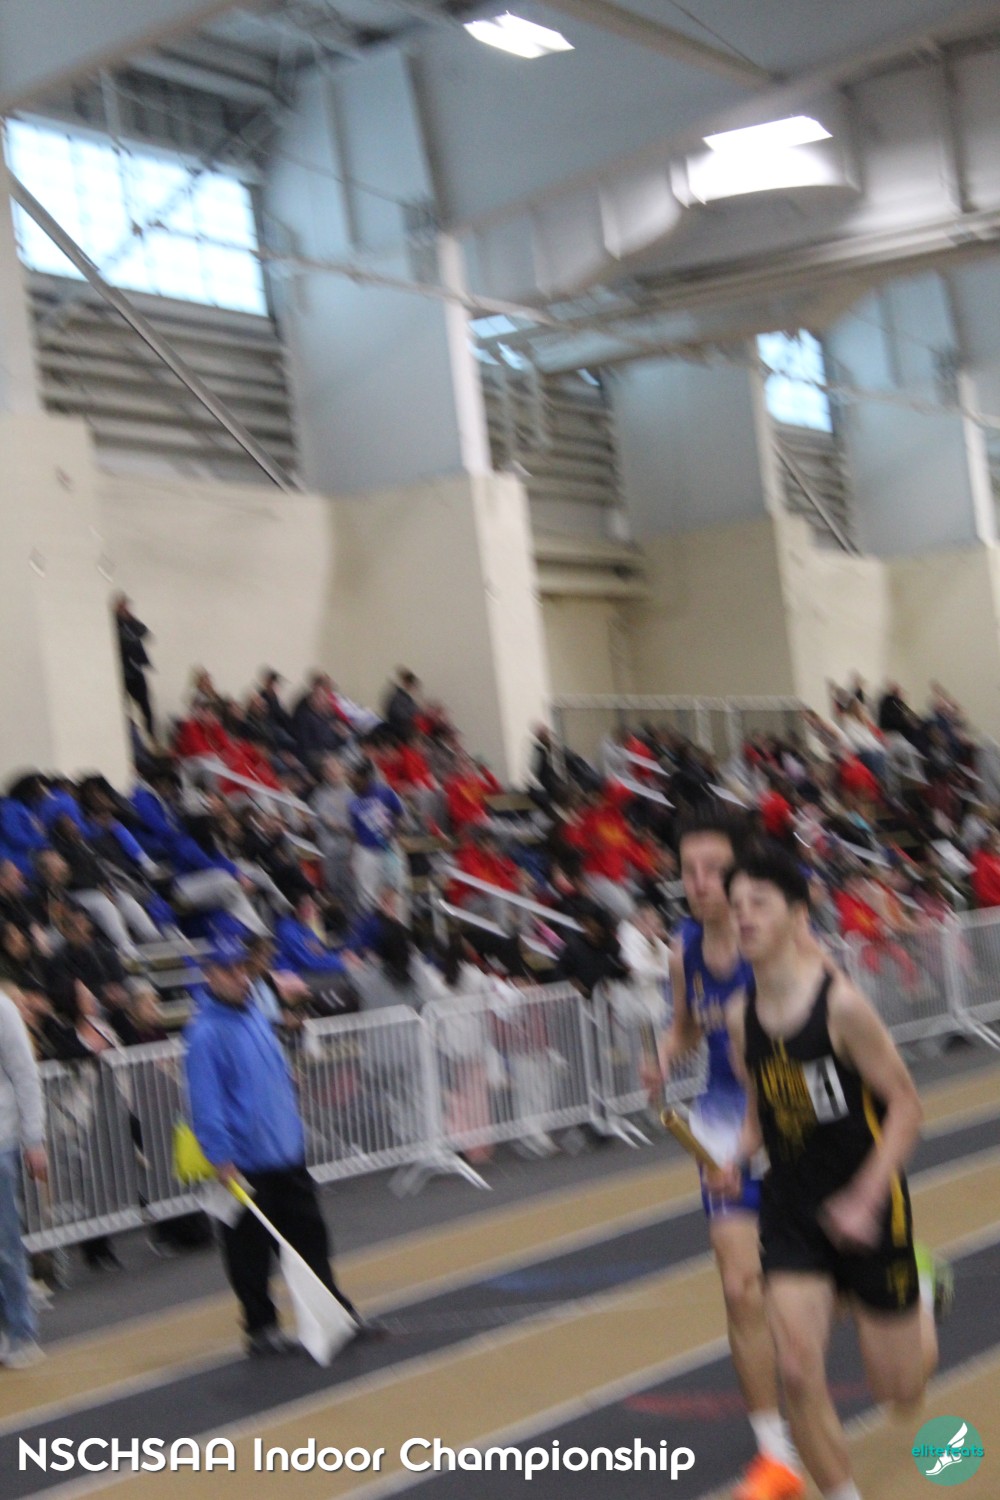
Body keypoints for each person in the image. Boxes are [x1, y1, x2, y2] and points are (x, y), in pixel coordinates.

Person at [717, 845, 945, 1500]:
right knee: (796, 1368)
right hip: (793, 1212)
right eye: (737, 906)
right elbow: (762, 1108)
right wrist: (737, 1156)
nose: (744, 916)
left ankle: (924, 1290)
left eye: (760, 903)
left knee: (899, 1392)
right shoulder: (739, 1018)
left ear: (797, 914)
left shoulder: (841, 1007)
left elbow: (907, 1106)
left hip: (869, 1206)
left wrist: (866, 1197)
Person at [646, 811, 803, 1500]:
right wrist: (664, 1054)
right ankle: (773, 1450)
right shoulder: (684, 947)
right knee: (741, 1286)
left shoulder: (775, 942)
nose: (700, 882)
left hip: (793, 1110)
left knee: (812, 1281)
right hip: (719, 1115)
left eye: (714, 869)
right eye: (689, 870)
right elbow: (686, 1025)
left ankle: (894, 1277)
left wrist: (760, 1136)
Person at [184, 941, 363, 1356]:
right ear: (210, 975)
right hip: (246, 1161)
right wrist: (220, 1156)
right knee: (249, 1250)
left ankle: (331, 1312)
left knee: (310, 1237)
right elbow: (206, 1102)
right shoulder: (205, 1034)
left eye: (242, 969)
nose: (240, 977)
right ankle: (260, 1325)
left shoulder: (255, 1015)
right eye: (229, 971)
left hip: (284, 1152)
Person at [0, 984, 47, 1366]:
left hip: (1, 1141)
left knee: (4, 1244)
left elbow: (25, 1073)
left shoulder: (3, 1009)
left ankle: (21, 1330)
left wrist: (34, 1138)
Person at [349, 761, 406, 913]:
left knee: (396, 889)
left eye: (355, 777)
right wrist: (353, 856)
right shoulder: (353, 802)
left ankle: (396, 923)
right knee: (367, 897)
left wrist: (394, 832)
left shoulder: (385, 792)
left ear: (365, 778)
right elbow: (355, 832)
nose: (352, 780)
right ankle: (373, 923)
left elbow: (400, 814)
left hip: (389, 848)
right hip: (367, 851)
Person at [114, 595, 156, 740]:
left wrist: (130, 618)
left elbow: (144, 632)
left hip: (136, 669)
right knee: (126, 706)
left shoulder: (130, 622)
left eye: (125, 607)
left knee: (145, 705)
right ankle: (131, 737)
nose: (124, 609)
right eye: (121, 607)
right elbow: (124, 641)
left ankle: (151, 735)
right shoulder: (114, 623)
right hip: (123, 670)